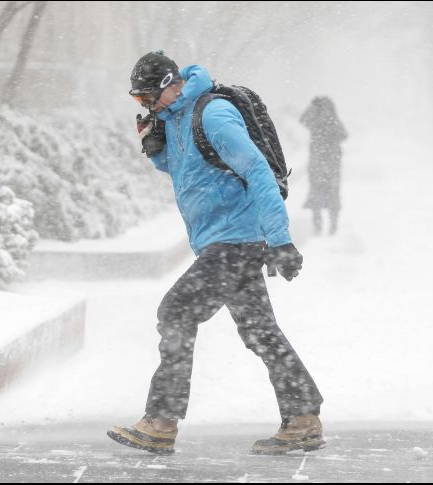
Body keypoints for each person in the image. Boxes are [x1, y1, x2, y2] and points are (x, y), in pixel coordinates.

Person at [107, 51, 324, 455]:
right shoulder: (174, 120)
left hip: (236, 240)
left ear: (172, 84)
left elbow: (257, 170)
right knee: (260, 331)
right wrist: (156, 149)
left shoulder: (214, 114)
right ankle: (303, 418)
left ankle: (161, 421)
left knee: (175, 312)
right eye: (138, 101)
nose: (146, 106)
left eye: (148, 97)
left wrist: (279, 238)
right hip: (222, 239)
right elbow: (188, 171)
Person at [300, 96, 347, 235]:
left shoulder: (323, 122)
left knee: (323, 194)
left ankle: (326, 227)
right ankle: (324, 227)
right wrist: (314, 107)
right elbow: (303, 119)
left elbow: (343, 135)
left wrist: (315, 108)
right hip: (324, 163)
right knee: (322, 194)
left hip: (324, 164)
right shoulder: (323, 121)